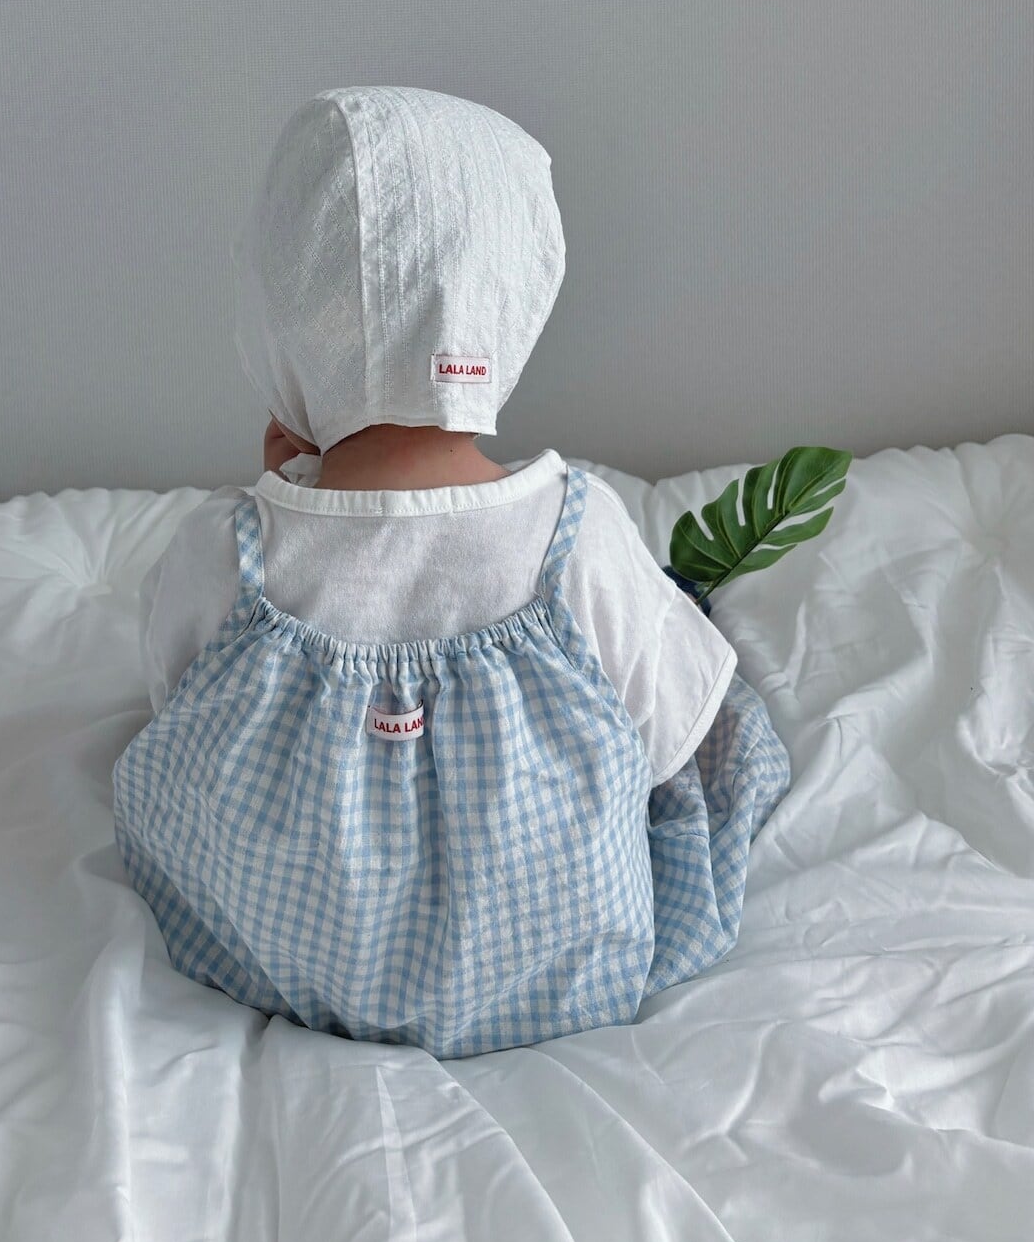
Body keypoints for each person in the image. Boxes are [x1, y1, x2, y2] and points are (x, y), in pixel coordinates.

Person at [112, 85, 790, 1058]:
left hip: (264, 957)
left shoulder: (232, 547)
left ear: (281, 321)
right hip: (551, 978)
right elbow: (662, 737)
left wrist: (281, 495)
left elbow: (173, 698)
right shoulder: (577, 536)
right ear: (511, 301)